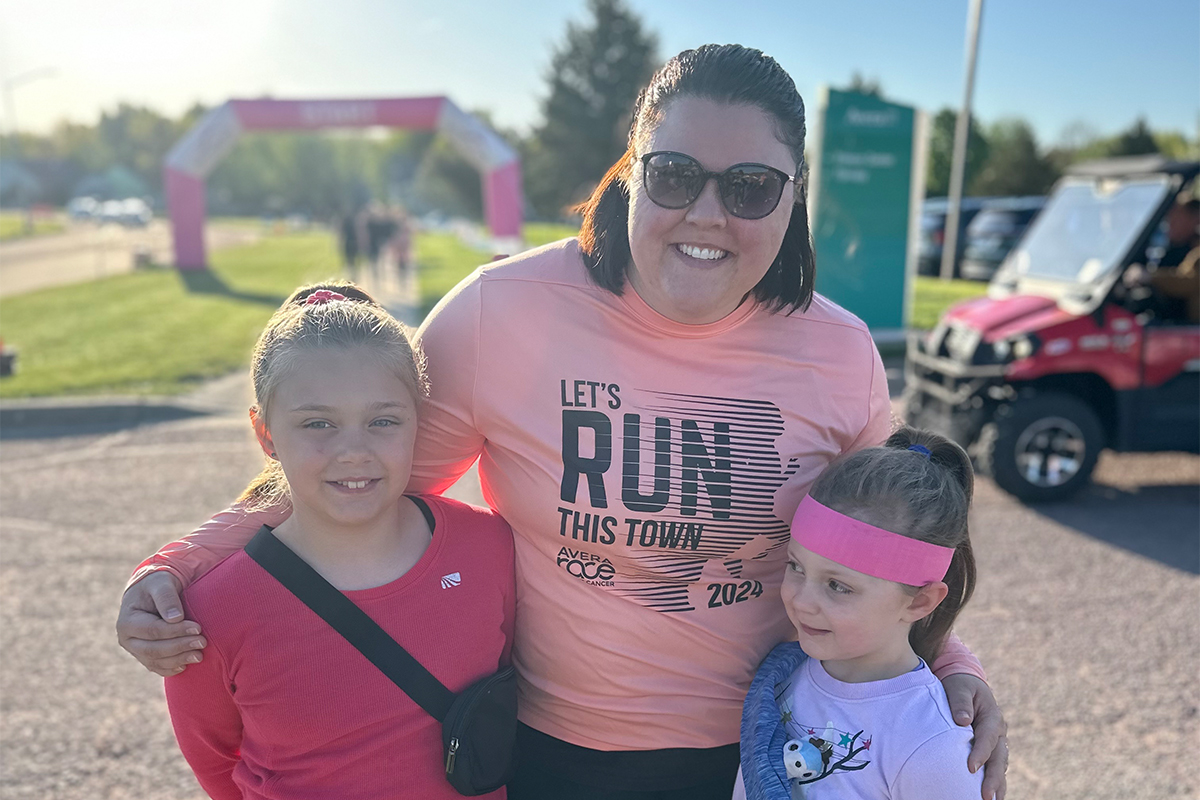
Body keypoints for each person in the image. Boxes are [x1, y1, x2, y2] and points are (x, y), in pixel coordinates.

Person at [117, 45, 1009, 800]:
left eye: (749, 186)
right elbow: (358, 477)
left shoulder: (840, 352)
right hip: (547, 753)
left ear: (794, 196)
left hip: (765, 752)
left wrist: (950, 672)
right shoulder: (504, 310)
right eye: (674, 175)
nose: (707, 213)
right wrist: (182, 562)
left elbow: (883, 550)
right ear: (630, 170)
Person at [162, 282, 515, 799]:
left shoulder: (488, 548)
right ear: (266, 435)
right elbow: (217, 765)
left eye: (382, 421)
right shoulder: (210, 608)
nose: (353, 451)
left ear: (419, 421)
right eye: (318, 423)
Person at [735, 428, 983, 799]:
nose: (801, 601)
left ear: (920, 601)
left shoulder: (931, 745)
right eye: (796, 567)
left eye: (838, 586)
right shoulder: (781, 678)